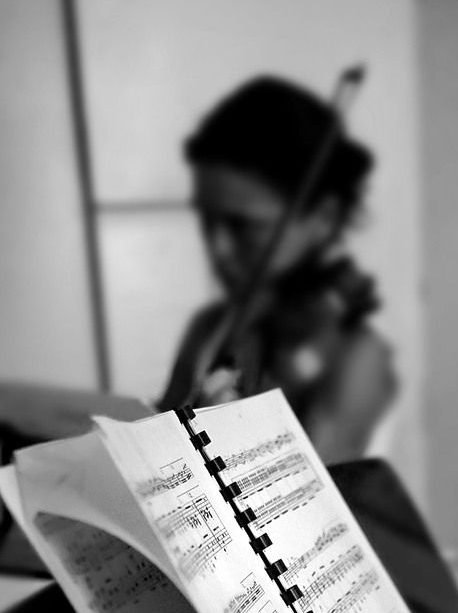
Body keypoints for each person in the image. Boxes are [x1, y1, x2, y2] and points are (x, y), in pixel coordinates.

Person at [157, 75, 397, 464]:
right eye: (207, 221)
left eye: (243, 226)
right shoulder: (209, 328)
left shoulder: (358, 356)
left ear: (324, 217)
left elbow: (308, 489)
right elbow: (158, 450)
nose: (218, 247)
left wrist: (218, 439)